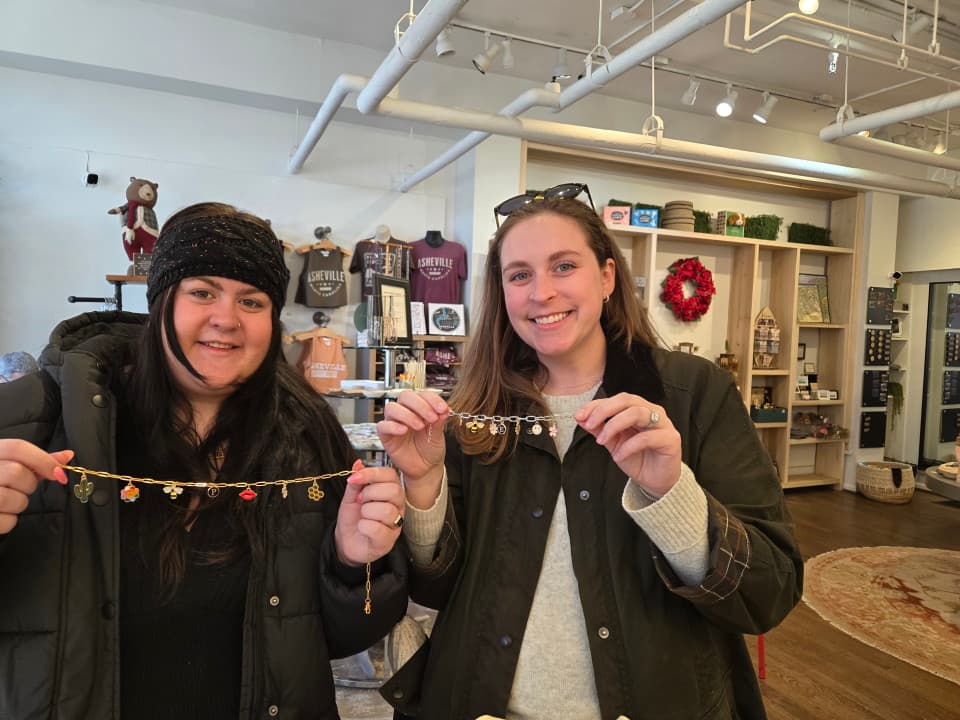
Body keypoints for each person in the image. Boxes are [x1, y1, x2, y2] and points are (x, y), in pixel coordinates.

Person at [377, 185, 803, 719]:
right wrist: (423, 487)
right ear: (503, 293)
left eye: (563, 266)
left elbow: (769, 590)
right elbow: (438, 589)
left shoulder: (695, 396)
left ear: (606, 278)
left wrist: (672, 495)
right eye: (520, 275)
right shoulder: (476, 408)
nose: (541, 294)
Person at [0, 202, 409, 719]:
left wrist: (355, 564)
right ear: (161, 301)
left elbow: (333, 639)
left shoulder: (306, 435)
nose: (226, 319)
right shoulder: (34, 419)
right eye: (202, 292)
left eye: (252, 301)